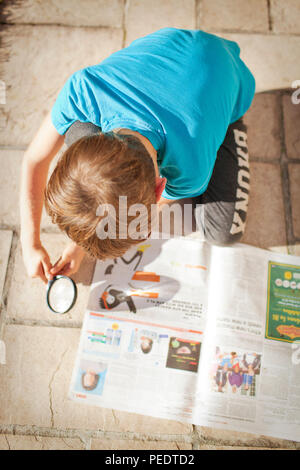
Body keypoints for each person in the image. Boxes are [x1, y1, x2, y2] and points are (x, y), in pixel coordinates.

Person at [19, 27, 255, 283]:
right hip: (176, 47)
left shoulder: (191, 170)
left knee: (224, 232)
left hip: (228, 73)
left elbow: (36, 160)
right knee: (75, 129)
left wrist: (81, 244)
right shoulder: (81, 89)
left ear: (160, 187)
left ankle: (227, 129)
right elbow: (34, 160)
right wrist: (30, 243)